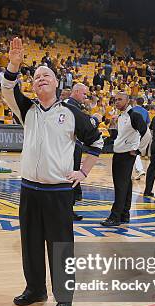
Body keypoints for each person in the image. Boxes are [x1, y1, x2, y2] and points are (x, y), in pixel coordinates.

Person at [1, 38, 103, 306]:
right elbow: (7, 89)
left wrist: (83, 171)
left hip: (58, 191)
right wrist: (14, 64)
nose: (40, 79)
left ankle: (64, 296)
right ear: (33, 86)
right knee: (30, 243)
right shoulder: (27, 110)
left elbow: (97, 142)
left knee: (61, 246)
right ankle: (35, 289)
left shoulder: (71, 113)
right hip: (29, 189)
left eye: (46, 75)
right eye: (36, 77)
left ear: (57, 83)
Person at [101, 91, 148, 227]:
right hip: (120, 153)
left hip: (126, 155)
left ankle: (114, 217)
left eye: (120, 99)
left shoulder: (134, 115)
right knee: (126, 186)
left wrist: (139, 150)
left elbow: (147, 134)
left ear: (127, 101)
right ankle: (124, 215)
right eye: (115, 99)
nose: (117, 102)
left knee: (120, 186)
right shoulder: (121, 116)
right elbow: (120, 136)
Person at [63, 83, 97, 221]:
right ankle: (66, 211)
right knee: (70, 177)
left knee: (72, 177)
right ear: (76, 91)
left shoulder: (74, 105)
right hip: (69, 148)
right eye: (84, 94)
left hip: (73, 147)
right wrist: (93, 120)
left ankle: (68, 209)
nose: (85, 97)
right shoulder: (69, 106)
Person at [132, 96, 152, 180]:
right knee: (134, 153)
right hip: (145, 133)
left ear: (136, 101)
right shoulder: (145, 111)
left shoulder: (132, 110)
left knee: (133, 152)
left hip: (135, 133)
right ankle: (132, 173)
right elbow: (148, 123)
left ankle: (140, 170)